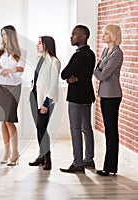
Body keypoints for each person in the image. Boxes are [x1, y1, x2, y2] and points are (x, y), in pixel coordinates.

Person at [60, 25, 96, 173]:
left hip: (76, 97)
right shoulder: (91, 54)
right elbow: (74, 74)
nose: (71, 37)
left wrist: (69, 78)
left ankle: (78, 163)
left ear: (83, 36)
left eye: (74, 34)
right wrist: (70, 78)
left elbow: (64, 73)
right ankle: (89, 159)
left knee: (75, 129)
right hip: (87, 95)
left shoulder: (78, 55)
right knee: (87, 128)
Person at [0, 25, 26, 166]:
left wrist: (3, 70)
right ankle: (6, 151)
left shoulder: (21, 52)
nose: (3, 37)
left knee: (9, 120)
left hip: (13, 88)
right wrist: (10, 69)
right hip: (1, 87)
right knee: (2, 121)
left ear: (11, 36)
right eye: (2, 35)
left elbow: (19, 73)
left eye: (5, 34)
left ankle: (15, 152)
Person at [94, 24, 123, 176]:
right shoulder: (106, 51)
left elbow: (102, 75)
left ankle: (110, 166)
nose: (103, 36)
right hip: (104, 94)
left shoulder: (117, 53)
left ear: (113, 35)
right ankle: (109, 166)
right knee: (108, 129)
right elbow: (99, 69)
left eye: (106, 34)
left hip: (112, 95)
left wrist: (98, 70)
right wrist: (99, 70)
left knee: (111, 130)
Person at [28, 36, 61, 170]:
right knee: (38, 127)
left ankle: (48, 158)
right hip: (35, 96)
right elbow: (40, 77)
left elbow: (53, 85)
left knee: (42, 128)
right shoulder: (39, 59)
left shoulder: (54, 62)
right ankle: (41, 156)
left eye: (40, 43)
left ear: (47, 45)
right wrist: (33, 83)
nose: (37, 45)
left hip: (46, 100)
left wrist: (46, 104)